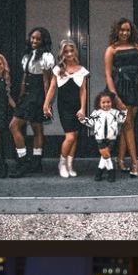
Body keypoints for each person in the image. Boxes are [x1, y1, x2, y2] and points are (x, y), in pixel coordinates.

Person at [103, 20, 138, 178]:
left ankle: (121, 159)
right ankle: (135, 163)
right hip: (120, 88)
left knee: (127, 125)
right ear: (117, 31)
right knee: (128, 124)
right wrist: (115, 96)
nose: (125, 33)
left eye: (128, 30)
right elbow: (108, 75)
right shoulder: (112, 49)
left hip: (136, 87)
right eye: (122, 30)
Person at [12, 29, 57, 176]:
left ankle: (24, 162)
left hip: (37, 95)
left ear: (43, 41)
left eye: (38, 39)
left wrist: (47, 102)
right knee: (36, 127)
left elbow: (47, 80)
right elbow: (25, 78)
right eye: (32, 38)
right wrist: (21, 95)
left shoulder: (46, 56)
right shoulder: (27, 55)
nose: (34, 41)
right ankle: (35, 162)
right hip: (27, 94)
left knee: (14, 126)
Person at [47, 38, 92, 178]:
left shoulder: (82, 70)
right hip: (64, 106)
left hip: (77, 107)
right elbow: (52, 88)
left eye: (71, 50)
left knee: (75, 136)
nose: (69, 53)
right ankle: (61, 162)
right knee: (70, 136)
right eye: (66, 51)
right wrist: (46, 104)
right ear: (62, 53)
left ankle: (69, 165)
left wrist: (83, 109)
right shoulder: (58, 69)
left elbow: (83, 91)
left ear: (75, 51)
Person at [86, 92, 127, 185]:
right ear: (99, 103)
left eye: (108, 102)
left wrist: (124, 111)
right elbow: (90, 123)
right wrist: (82, 119)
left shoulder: (115, 112)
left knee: (105, 155)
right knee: (106, 155)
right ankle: (109, 173)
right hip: (99, 138)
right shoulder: (96, 113)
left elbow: (122, 120)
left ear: (112, 102)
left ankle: (100, 173)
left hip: (111, 138)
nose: (106, 104)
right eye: (103, 102)